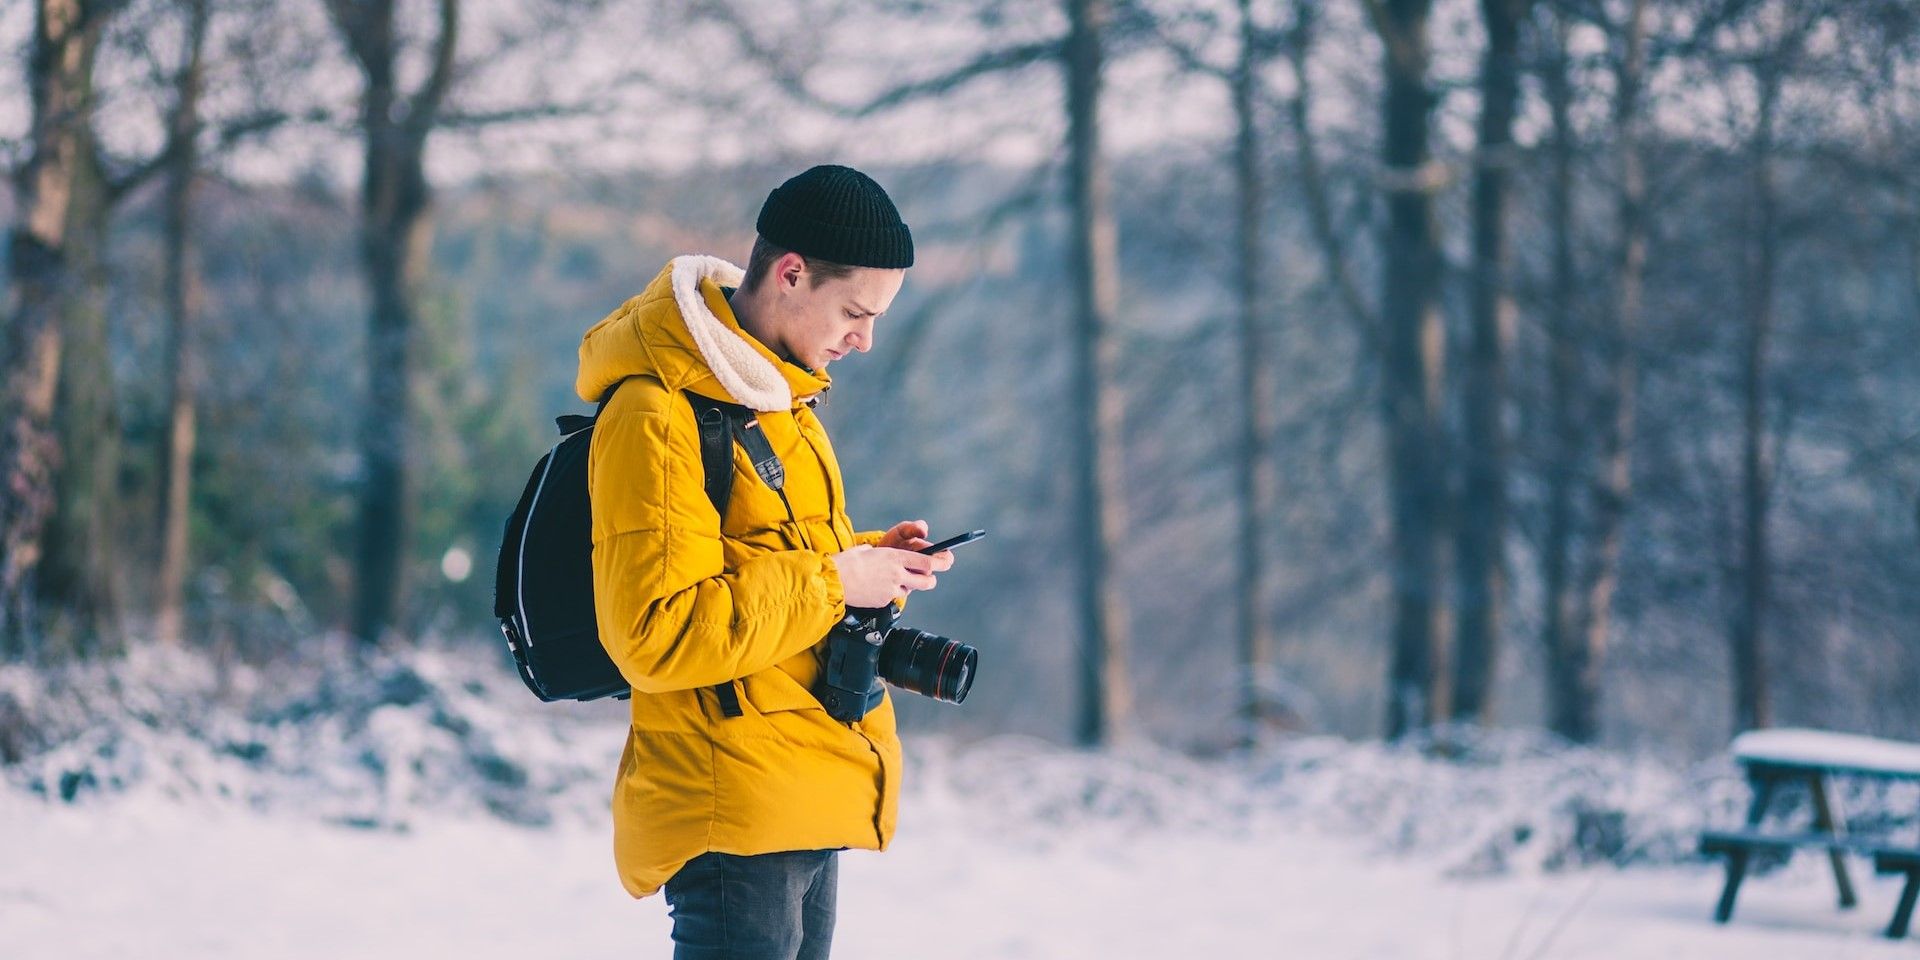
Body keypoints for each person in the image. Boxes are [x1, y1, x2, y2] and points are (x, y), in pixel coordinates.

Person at [575, 164, 953, 959]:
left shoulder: (781, 399)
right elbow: (655, 633)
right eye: (855, 311)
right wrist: (835, 579)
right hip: (734, 802)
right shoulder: (658, 413)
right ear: (791, 275)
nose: (865, 338)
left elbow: (781, 572)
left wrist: (874, 566)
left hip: (806, 780)